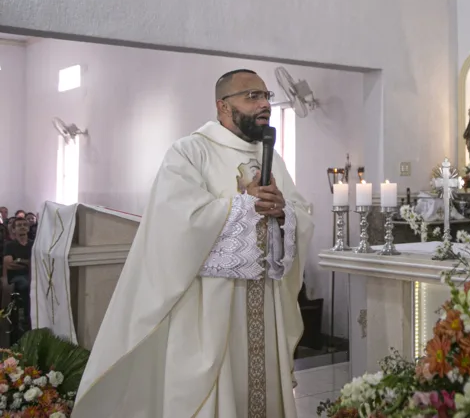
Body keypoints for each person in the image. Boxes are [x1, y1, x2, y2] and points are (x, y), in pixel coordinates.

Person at [74, 69, 315, 418]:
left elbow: (300, 213)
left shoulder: (272, 157)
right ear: (223, 106)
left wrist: (282, 214)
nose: (264, 104)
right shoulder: (189, 152)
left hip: (266, 305)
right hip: (211, 310)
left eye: (266, 96)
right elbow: (177, 221)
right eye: (252, 96)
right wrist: (243, 206)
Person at [4, 215, 33, 337]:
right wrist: (28, 264)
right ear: (13, 229)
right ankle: (25, 318)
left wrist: (19, 260)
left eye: (24, 225)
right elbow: (9, 264)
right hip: (17, 277)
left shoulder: (34, 244)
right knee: (26, 285)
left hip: (32, 275)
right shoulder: (10, 245)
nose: (22, 227)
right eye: (19, 225)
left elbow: (36, 263)